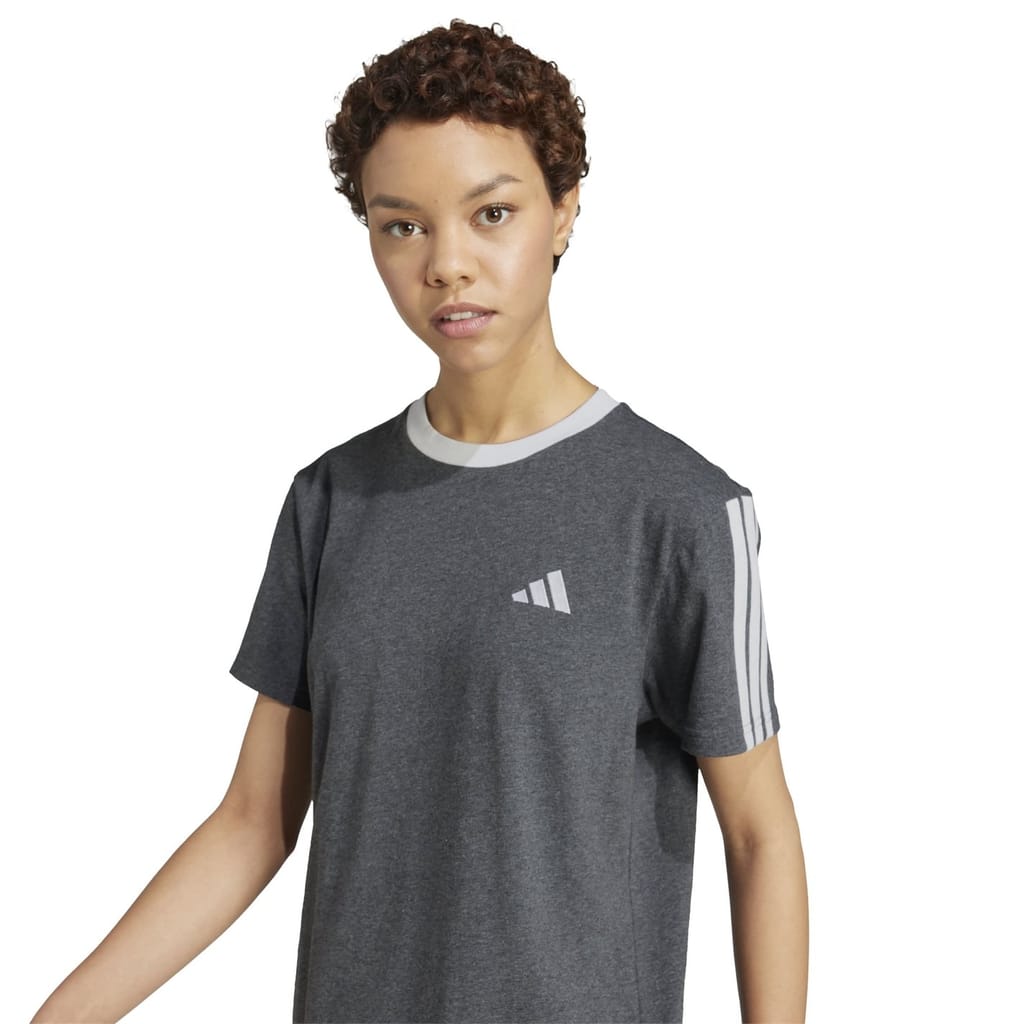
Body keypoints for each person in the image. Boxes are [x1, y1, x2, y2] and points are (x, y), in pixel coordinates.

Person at [31, 19, 808, 1024]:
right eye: (402, 226)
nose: (447, 264)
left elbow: (759, 835)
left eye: (492, 214)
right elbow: (254, 821)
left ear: (565, 211)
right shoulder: (332, 500)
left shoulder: (680, 511)